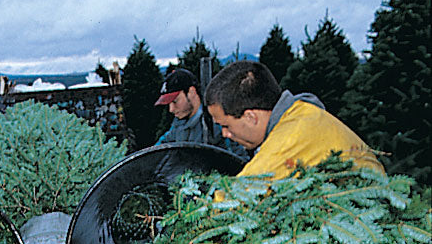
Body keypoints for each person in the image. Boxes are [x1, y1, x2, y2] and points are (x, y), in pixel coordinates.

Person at [204, 60, 384, 180]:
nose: (225, 134)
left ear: (251, 117)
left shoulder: (290, 137)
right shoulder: (300, 114)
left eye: (226, 126)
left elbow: (241, 195)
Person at [154, 68, 246, 158]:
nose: (171, 109)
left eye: (175, 101)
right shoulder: (177, 126)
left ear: (192, 92)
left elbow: (240, 159)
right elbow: (158, 150)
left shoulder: (217, 122)